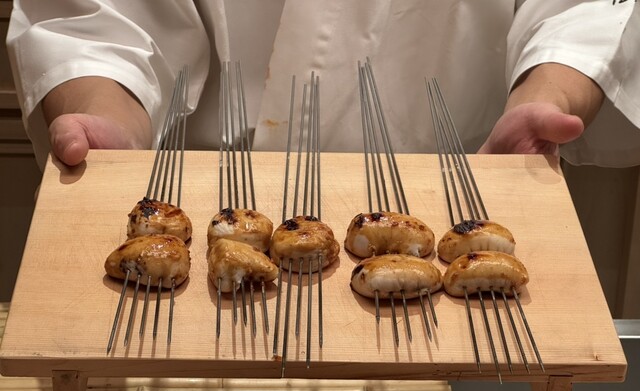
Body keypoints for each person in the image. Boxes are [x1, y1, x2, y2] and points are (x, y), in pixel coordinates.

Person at [6, 0, 640, 170]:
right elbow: (100, 15)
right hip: (191, 205)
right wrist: (101, 103)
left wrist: (550, 91)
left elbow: (588, 8)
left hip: (463, 182)